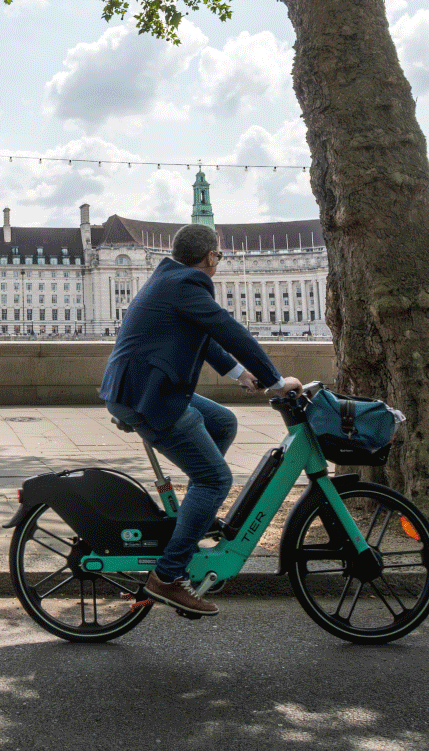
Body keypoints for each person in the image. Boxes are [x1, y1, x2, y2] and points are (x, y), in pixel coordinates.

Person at [98, 223, 296, 618]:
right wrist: (275, 381)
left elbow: (204, 337)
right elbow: (228, 330)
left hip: (144, 386)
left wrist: (242, 375)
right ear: (210, 257)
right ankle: (167, 577)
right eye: (219, 257)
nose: (217, 263)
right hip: (147, 397)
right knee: (216, 479)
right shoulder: (189, 282)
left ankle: (193, 517)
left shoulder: (170, 278)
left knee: (223, 422)